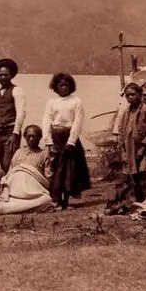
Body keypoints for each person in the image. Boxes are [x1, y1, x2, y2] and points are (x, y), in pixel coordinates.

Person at [106, 83, 146, 215]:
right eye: (127, 95)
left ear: (140, 95)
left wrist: (143, 147)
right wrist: (123, 150)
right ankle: (133, 203)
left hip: (144, 148)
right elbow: (121, 130)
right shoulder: (126, 111)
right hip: (129, 149)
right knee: (130, 177)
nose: (130, 97)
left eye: (133, 94)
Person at [42, 72, 91, 210]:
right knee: (55, 169)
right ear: (56, 87)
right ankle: (55, 200)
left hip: (70, 138)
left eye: (66, 85)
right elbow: (47, 119)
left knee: (69, 170)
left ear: (71, 86)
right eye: (61, 85)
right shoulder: (52, 102)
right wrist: (48, 139)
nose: (64, 88)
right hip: (56, 138)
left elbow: (78, 122)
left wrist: (71, 141)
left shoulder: (76, 101)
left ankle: (65, 202)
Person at [0, 59, 27, 174]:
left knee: (9, 162)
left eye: (6, 75)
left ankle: (13, 188)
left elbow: (21, 113)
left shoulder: (17, 90)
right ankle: (7, 187)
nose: (3, 77)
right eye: (0, 75)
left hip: (12, 131)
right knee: (2, 163)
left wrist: (15, 134)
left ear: (11, 76)